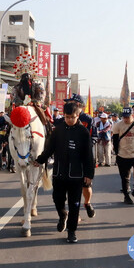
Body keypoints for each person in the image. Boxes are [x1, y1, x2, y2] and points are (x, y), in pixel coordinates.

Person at [35, 102, 94, 243]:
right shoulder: (58, 130)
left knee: (75, 204)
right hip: (59, 173)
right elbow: (50, 148)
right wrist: (40, 160)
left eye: (72, 117)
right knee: (57, 199)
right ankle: (62, 216)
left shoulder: (83, 132)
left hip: (76, 175)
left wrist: (89, 174)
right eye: (67, 117)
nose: (69, 120)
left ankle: (72, 231)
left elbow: (89, 156)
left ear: (77, 115)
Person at [112, 107, 134, 204]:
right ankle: (126, 195)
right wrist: (116, 152)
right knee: (125, 177)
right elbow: (115, 139)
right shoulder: (118, 125)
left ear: (132, 115)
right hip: (123, 155)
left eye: (128, 117)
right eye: (124, 117)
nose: (126, 119)